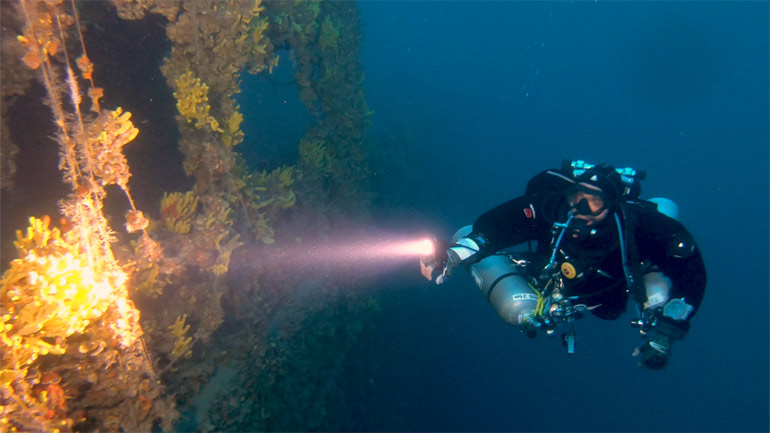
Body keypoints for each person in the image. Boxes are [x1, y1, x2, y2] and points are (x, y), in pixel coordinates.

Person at [420, 160, 706, 369]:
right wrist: (453, 256)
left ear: (613, 207)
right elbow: (497, 228)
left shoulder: (640, 226)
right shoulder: (551, 210)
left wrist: (666, 335)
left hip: (611, 290)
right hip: (553, 281)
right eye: (575, 197)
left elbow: (691, 271)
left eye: (593, 203)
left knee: (611, 310)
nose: (579, 209)